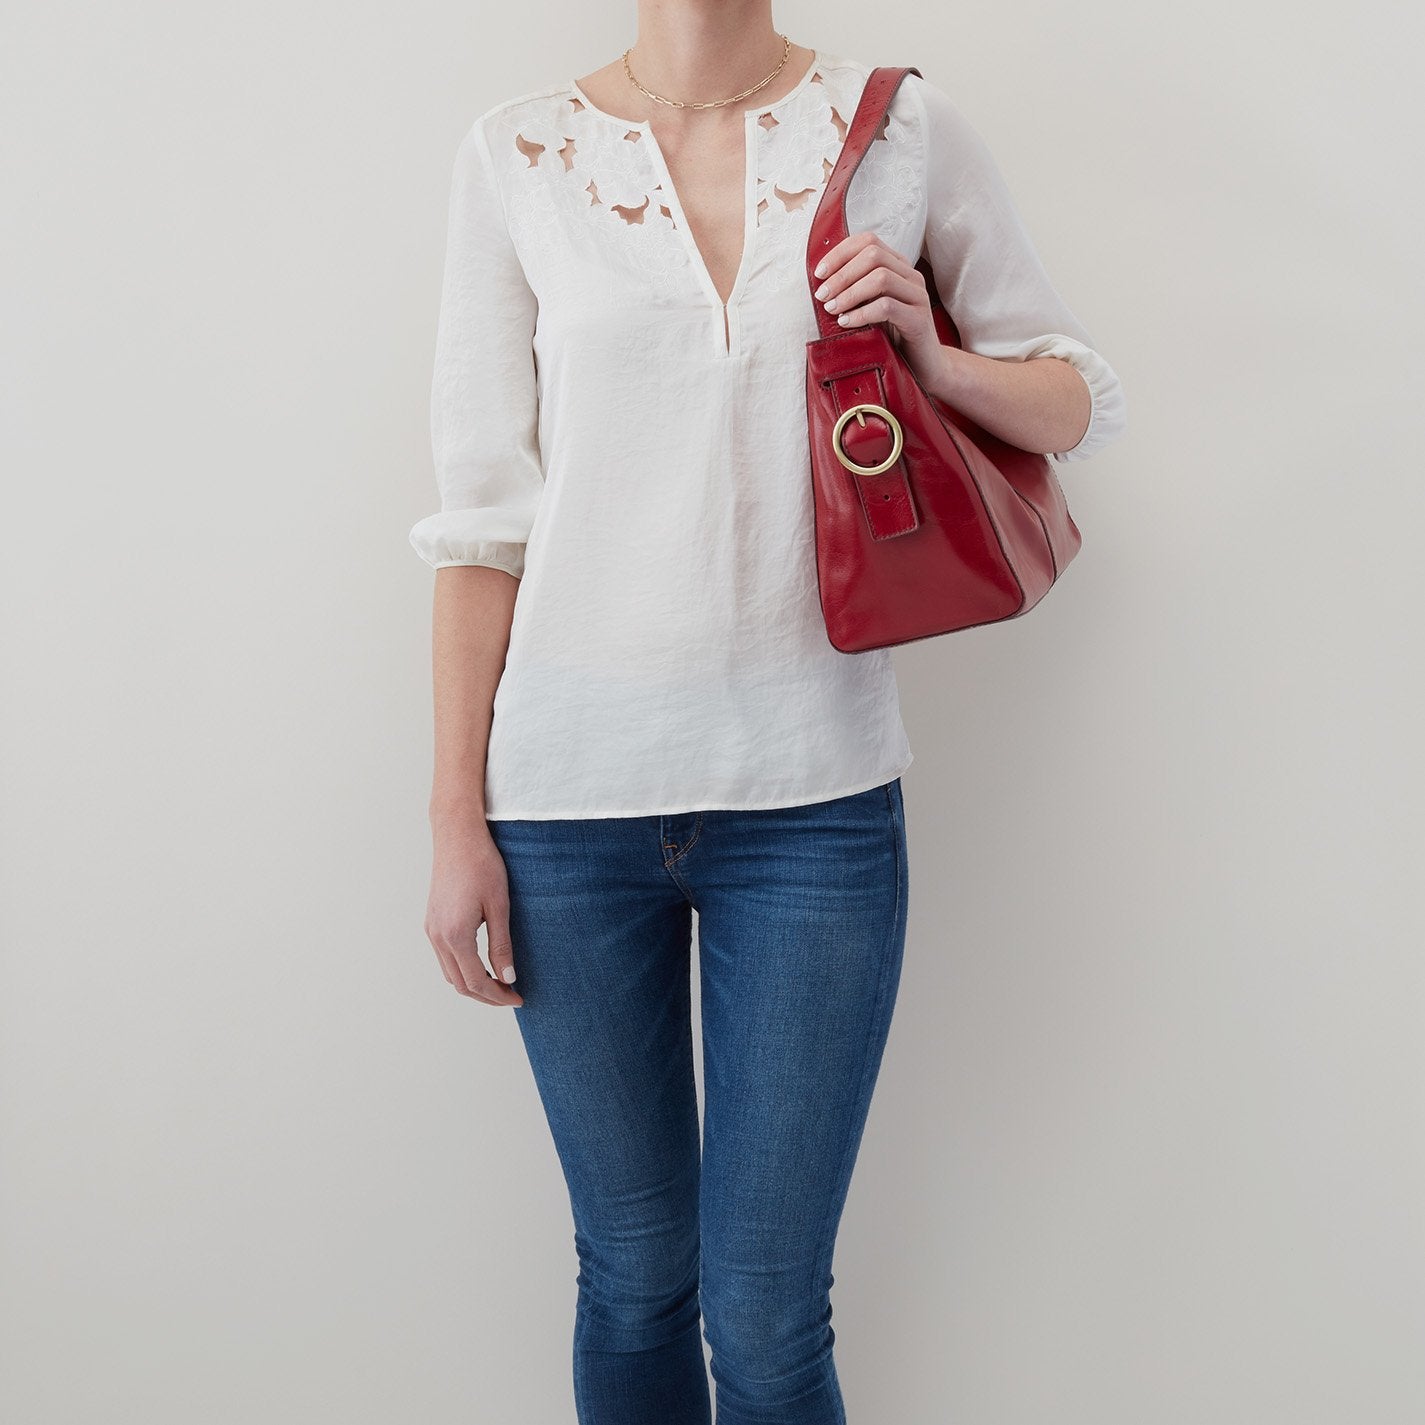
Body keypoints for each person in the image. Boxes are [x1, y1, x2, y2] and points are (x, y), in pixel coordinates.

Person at [410, 12, 1126, 1423]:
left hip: (814, 807)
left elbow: (1073, 404)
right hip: (562, 809)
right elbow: (480, 525)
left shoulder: (897, 126)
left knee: (766, 1313)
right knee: (631, 1277)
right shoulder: (516, 155)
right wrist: (453, 822)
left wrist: (930, 350)